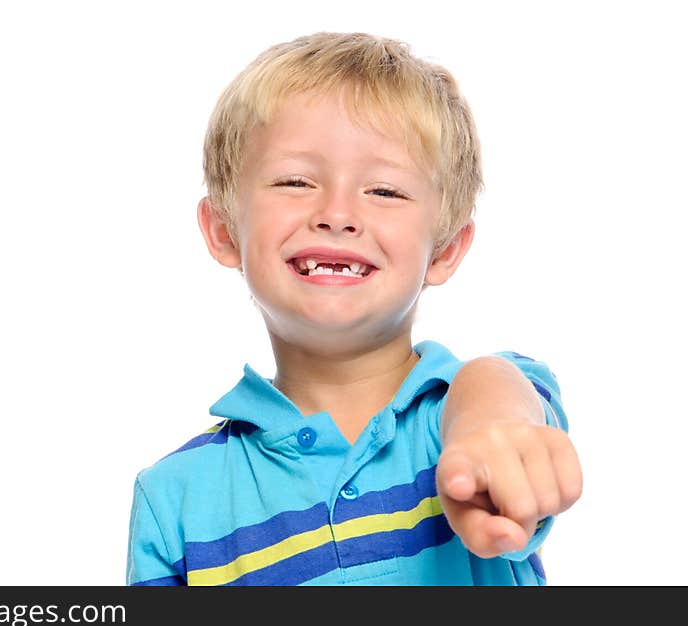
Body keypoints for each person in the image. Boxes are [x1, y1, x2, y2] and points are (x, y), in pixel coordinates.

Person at [126, 31, 582, 585]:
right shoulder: (173, 498)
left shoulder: (471, 411)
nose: (337, 213)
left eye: (385, 191)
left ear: (444, 249)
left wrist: (491, 437)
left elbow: (503, 403)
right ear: (223, 230)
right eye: (295, 181)